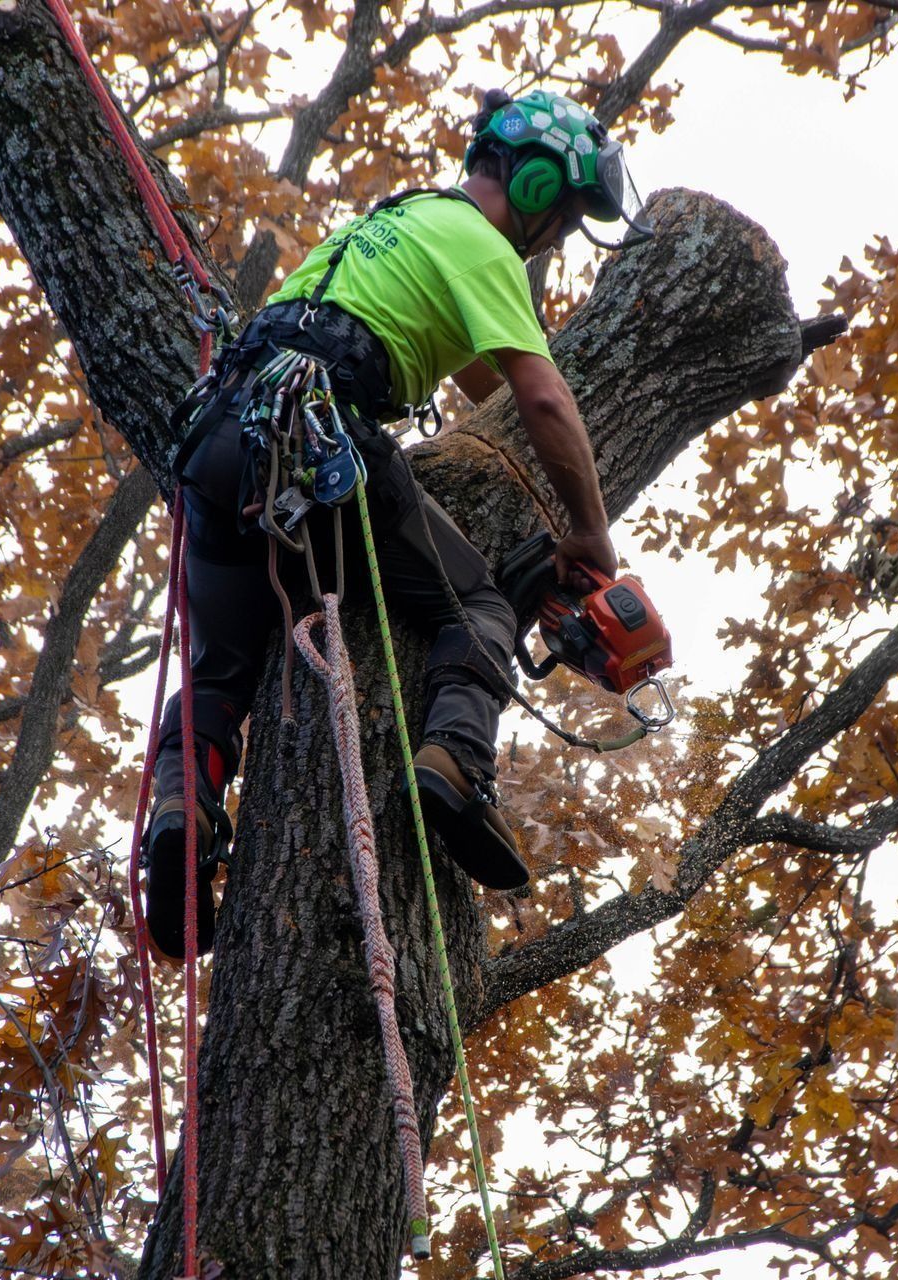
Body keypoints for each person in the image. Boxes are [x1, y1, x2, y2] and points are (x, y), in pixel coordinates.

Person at [139, 87, 653, 960]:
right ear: (531, 188)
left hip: (217, 447)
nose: (558, 236)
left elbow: (488, 382)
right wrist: (591, 534)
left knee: (221, 665)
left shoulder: (396, 222)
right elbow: (539, 394)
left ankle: (181, 806)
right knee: (480, 606)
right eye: (562, 216)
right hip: (321, 432)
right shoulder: (484, 245)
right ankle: (452, 764)